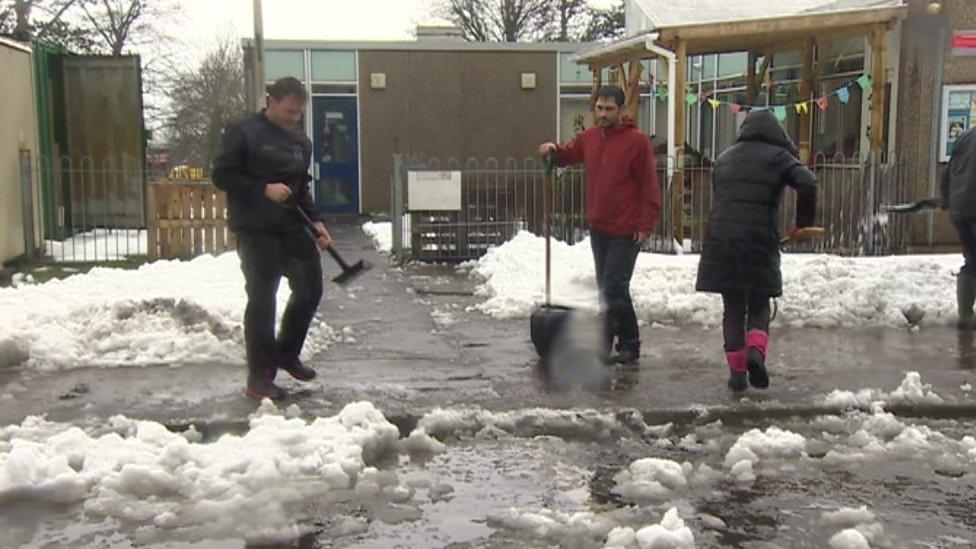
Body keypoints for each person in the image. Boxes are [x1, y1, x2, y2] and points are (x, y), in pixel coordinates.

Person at [212, 77, 332, 400]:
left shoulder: (300, 142)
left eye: (298, 113)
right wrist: (263, 188)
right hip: (255, 228)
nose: (295, 118)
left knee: (310, 289)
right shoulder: (243, 132)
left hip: (292, 226)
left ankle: (286, 353)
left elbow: (299, 187)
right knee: (263, 299)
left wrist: (317, 220)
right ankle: (260, 377)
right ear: (272, 101)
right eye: (290, 111)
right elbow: (221, 175)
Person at [694, 109, 818, 392]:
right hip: (758, 238)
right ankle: (755, 353)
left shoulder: (724, 159)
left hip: (721, 239)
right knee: (760, 302)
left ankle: (737, 374)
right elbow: (808, 181)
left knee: (733, 306)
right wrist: (803, 223)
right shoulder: (779, 157)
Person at [538, 85, 662, 365]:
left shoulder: (637, 142)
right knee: (606, 286)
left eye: (608, 109)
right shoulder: (590, 138)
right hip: (600, 226)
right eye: (599, 108)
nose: (603, 114)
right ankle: (614, 341)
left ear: (621, 110)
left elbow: (649, 187)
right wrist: (553, 151)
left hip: (627, 227)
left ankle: (626, 342)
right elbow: (568, 154)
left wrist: (646, 224)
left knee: (614, 285)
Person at [941, 125, 976, 329]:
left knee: (972, 259)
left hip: (960, 210)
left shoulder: (965, 137)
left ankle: (964, 314)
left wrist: (948, 201)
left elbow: (947, 174)